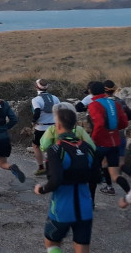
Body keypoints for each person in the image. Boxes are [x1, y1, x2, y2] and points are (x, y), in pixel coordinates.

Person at [34, 107, 97, 253]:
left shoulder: (56, 149)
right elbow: (95, 177)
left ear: (58, 126)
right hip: (85, 208)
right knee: (82, 246)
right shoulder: (87, 148)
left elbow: (55, 180)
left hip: (62, 208)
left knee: (51, 243)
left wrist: (41, 189)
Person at [87, 81, 131, 208]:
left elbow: (99, 124)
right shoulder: (114, 103)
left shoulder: (94, 105)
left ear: (91, 91)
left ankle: (91, 203)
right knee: (115, 174)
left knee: (93, 174)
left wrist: (94, 139)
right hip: (115, 142)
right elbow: (124, 123)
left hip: (100, 144)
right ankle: (129, 193)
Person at [98, 80, 131, 195]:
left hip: (109, 136)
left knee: (105, 163)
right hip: (121, 135)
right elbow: (129, 115)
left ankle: (109, 187)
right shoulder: (121, 101)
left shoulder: (103, 103)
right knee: (121, 163)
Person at [31, 79, 61, 176]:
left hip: (41, 128)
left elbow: (37, 112)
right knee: (54, 147)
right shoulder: (55, 98)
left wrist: (33, 121)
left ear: (37, 87)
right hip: (54, 127)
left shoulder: (36, 100)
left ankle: (41, 167)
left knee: (36, 146)